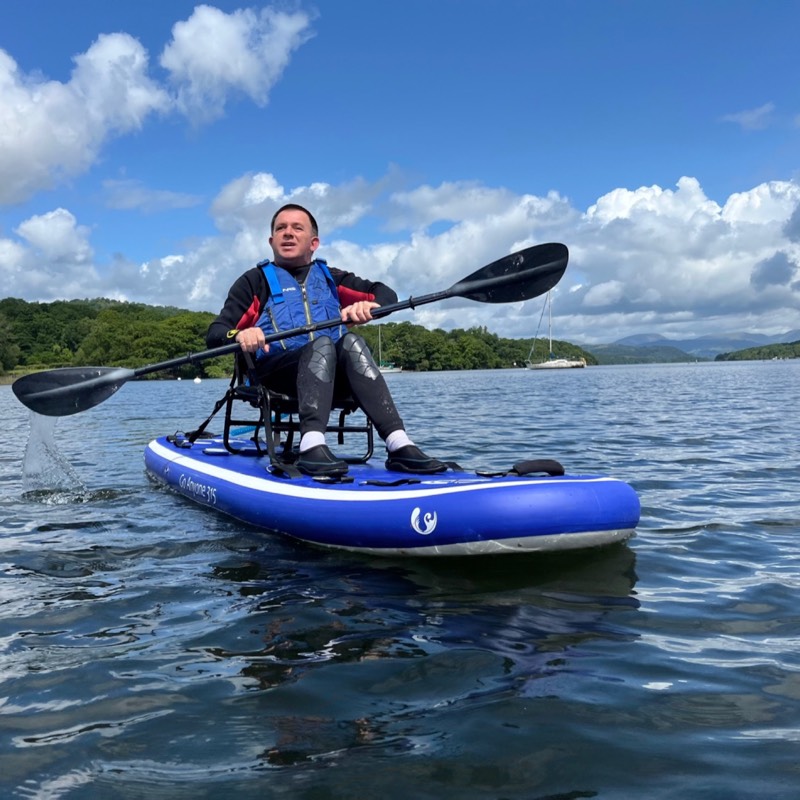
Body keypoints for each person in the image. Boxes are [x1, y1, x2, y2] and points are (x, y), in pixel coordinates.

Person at [206, 203, 447, 478]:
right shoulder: (254, 281)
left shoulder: (332, 278)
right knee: (321, 346)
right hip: (275, 374)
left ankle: (399, 444)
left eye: (297, 228)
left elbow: (386, 293)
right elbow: (216, 333)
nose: (288, 233)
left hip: (330, 378)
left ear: (314, 242)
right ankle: (311, 446)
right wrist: (240, 334)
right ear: (271, 241)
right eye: (280, 228)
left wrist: (372, 306)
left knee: (351, 342)